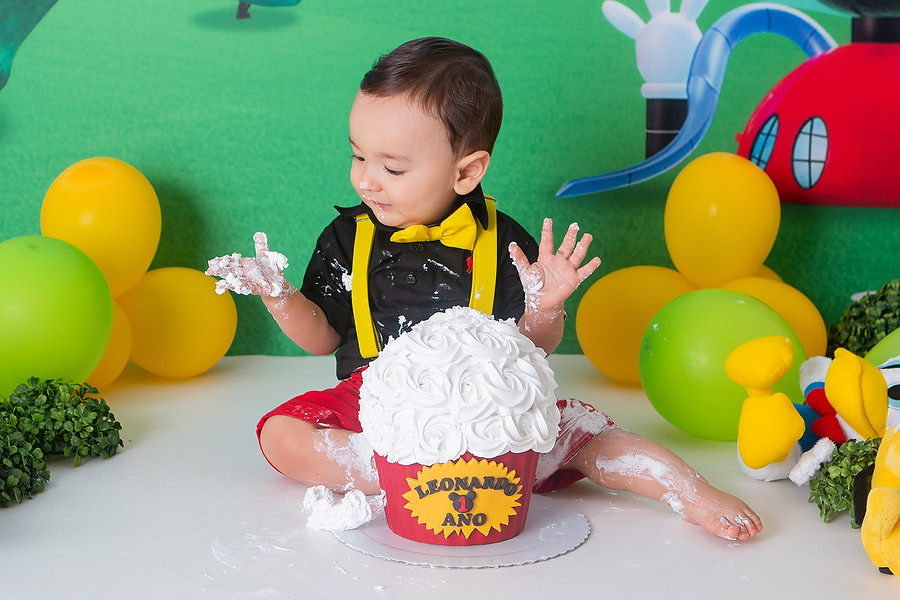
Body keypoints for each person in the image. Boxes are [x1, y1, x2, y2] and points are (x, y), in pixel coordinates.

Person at [206, 37, 762, 541]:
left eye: (392, 169)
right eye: (357, 156)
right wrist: (279, 296)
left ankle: (687, 490)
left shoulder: (504, 245)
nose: (365, 180)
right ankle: (402, 469)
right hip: (379, 401)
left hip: (492, 405)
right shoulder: (345, 238)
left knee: (590, 431)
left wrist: (547, 304)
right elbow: (322, 340)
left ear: (466, 172)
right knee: (281, 435)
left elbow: (533, 347)